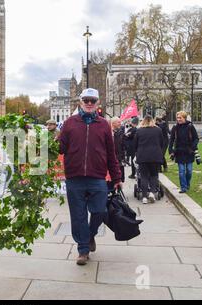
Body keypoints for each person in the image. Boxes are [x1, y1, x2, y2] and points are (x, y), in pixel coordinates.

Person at [59, 88, 122, 266]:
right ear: (80, 102)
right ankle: (83, 250)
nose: (88, 103)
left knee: (99, 211)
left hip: (97, 176)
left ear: (97, 104)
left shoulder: (103, 124)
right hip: (74, 177)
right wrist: (41, 140)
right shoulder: (69, 123)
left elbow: (111, 153)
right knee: (78, 216)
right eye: (86, 100)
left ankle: (90, 235)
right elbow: (60, 148)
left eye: (92, 100)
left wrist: (117, 177)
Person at [134, 115, 164, 204]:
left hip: (142, 156)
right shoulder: (158, 130)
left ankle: (144, 197)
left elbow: (135, 144)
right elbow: (161, 142)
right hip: (155, 156)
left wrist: (137, 152)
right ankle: (151, 192)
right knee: (154, 175)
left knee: (143, 176)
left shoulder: (139, 131)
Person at [169, 111, 199, 194]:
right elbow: (171, 140)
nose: (178, 119)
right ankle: (183, 187)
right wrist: (170, 150)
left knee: (189, 171)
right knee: (181, 171)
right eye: (177, 118)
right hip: (179, 152)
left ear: (184, 118)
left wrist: (192, 148)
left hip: (189, 152)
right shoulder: (175, 127)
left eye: (180, 118)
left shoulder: (190, 126)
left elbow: (196, 138)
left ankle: (187, 184)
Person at [110, 117, 126, 184]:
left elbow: (121, 145)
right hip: (112, 157)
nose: (120, 124)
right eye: (118, 122)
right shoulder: (109, 132)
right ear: (113, 123)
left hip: (119, 157)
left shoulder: (120, 132)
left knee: (120, 175)